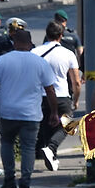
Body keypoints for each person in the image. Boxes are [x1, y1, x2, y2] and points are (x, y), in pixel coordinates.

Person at [0, 23, 63, 188]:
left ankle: (9, 180)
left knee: (7, 144)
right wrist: (54, 112)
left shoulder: (2, 61)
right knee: (28, 148)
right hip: (31, 114)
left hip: (8, 112)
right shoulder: (39, 62)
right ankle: (25, 184)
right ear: (30, 43)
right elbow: (50, 90)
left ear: (14, 42)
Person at [32, 17, 80, 169]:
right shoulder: (68, 54)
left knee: (47, 125)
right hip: (61, 95)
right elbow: (76, 82)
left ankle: (52, 158)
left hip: (41, 96)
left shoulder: (34, 52)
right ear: (61, 35)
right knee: (69, 125)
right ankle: (51, 148)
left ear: (46, 34)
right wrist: (76, 100)